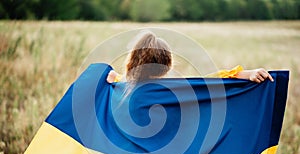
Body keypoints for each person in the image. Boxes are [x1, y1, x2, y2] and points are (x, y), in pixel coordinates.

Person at [106, 31, 274, 83]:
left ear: (132, 62)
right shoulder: (177, 88)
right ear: (167, 65)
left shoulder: (124, 87)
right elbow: (211, 81)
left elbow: (119, 79)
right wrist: (247, 74)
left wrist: (111, 77)